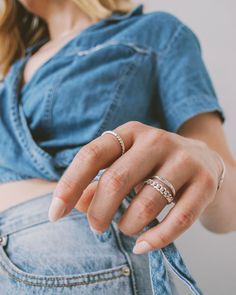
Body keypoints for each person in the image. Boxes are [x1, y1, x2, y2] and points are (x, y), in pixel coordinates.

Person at [0, 0, 235, 294]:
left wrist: (209, 164)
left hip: (75, 264)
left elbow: (231, 209)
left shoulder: (156, 32)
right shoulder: (13, 67)